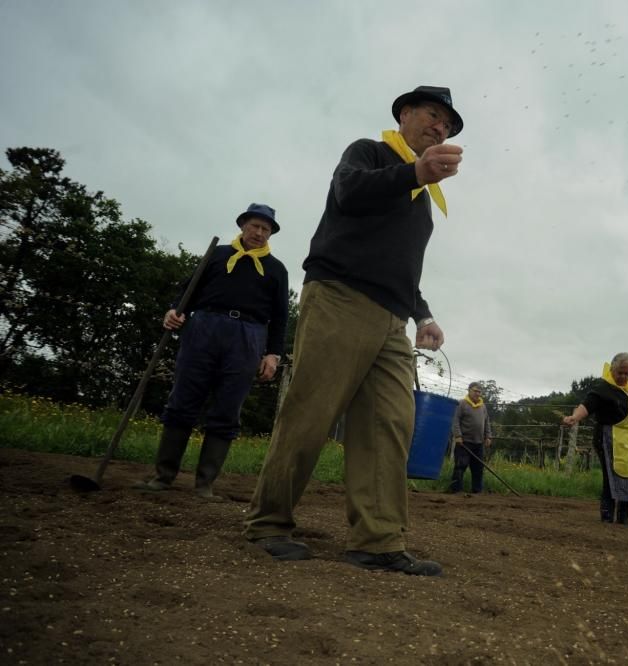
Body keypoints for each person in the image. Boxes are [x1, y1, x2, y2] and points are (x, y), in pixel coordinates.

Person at [243, 86, 464, 576]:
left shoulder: (423, 197)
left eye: (447, 125)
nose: (440, 128)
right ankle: (268, 523)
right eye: (433, 116)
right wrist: (413, 171)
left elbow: (402, 265)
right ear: (406, 114)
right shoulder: (369, 153)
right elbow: (350, 192)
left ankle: (377, 540)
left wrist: (423, 315)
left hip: (392, 319)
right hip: (340, 296)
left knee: (389, 423)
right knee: (311, 411)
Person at [134, 203, 288, 501]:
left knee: (228, 408)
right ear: (243, 225)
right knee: (183, 400)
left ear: (271, 233)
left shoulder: (276, 270)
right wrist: (174, 311)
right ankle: (163, 476)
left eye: (265, 229)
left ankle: (204, 485)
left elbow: (280, 318)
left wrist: (273, 354)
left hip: (248, 336)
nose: (259, 233)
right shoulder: (216, 256)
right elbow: (186, 291)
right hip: (203, 327)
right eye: (255, 226)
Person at [563, 353, 628, 526]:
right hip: (607, 439)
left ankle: (624, 518)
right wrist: (574, 417)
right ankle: (607, 517)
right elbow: (587, 405)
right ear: (612, 370)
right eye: (620, 373)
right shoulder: (603, 388)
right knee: (610, 477)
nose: (623, 377)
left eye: (627, 374)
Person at [450, 382, 492, 494]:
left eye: (479, 392)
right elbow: (455, 421)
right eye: (475, 391)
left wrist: (488, 436)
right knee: (460, 466)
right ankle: (456, 490)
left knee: (478, 468)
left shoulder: (483, 406)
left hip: (479, 443)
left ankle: (477, 491)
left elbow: (487, 421)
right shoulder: (462, 404)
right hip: (464, 442)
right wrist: (458, 435)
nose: (477, 393)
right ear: (469, 390)